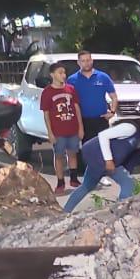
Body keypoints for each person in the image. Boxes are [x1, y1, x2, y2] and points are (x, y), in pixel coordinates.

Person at [62, 111, 140, 212]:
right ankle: (119, 212)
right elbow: (103, 135)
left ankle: (64, 213)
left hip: (102, 159)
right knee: (129, 184)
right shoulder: (131, 128)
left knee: (87, 186)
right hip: (96, 154)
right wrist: (108, 160)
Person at [67, 50, 118, 179]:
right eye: (83, 61)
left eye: (88, 60)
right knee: (87, 148)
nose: (86, 63)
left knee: (103, 146)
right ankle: (90, 174)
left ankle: (103, 175)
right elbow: (68, 100)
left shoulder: (103, 77)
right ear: (78, 63)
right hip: (83, 119)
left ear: (92, 60)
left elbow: (113, 96)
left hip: (100, 119)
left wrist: (112, 111)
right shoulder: (72, 80)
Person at [39, 62, 84, 194]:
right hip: (58, 131)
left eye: (64, 73)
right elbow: (46, 114)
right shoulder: (47, 92)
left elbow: (76, 108)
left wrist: (80, 127)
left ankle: (74, 178)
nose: (63, 75)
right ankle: (60, 182)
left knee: (73, 154)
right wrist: (50, 133)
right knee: (59, 155)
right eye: (60, 73)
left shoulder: (71, 89)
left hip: (72, 128)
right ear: (52, 75)